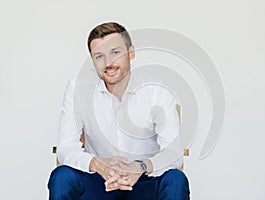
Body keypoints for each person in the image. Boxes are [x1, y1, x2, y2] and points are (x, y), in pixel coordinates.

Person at [48, 22, 190, 200]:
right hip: (99, 182)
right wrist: (98, 164)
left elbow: (174, 152)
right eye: (99, 56)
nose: (108, 63)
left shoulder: (157, 90)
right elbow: (66, 146)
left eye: (115, 53)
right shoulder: (78, 87)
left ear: (131, 53)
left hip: (144, 181)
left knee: (176, 179)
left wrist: (139, 167)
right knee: (62, 177)